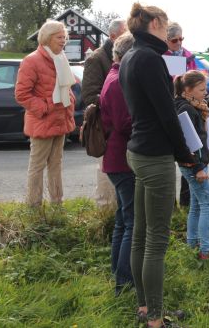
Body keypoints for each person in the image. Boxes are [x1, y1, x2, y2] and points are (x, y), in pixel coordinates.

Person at [119, 3, 204, 328]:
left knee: (140, 235)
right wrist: (185, 152)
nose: (168, 29)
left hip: (138, 151)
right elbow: (167, 113)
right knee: (156, 239)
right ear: (154, 23)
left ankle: (144, 308)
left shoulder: (130, 55)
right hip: (154, 156)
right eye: (164, 23)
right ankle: (155, 319)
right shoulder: (150, 59)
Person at [15, 20, 76, 207]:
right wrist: (46, 107)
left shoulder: (61, 58)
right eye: (59, 37)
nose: (63, 41)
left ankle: (57, 204)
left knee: (56, 165)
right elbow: (21, 94)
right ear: (48, 38)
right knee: (37, 166)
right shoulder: (31, 60)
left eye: (64, 37)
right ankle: (34, 206)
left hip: (60, 120)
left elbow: (67, 87)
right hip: (43, 121)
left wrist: (69, 103)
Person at [99, 32, 136, 296]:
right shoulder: (118, 82)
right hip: (122, 160)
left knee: (123, 221)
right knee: (132, 222)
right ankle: (124, 282)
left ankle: (119, 275)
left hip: (116, 160)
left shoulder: (114, 77)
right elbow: (125, 124)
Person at [164, 21, 209, 208]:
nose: (178, 43)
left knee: (192, 154)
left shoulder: (188, 55)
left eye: (181, 39)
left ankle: (186, 202)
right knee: (176, 159)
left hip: (191, 104)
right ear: (166, 40)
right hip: (175, 107)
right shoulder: (161, 56)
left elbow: (197, 76)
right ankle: (172, 205)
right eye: (174, 40)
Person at [82, 17, 128, 208]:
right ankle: (105, 212)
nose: (128, 37)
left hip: (120, 123)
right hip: (105, 126)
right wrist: (112, 105)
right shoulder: (96, 58)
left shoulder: (125, 56)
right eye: (124, 34)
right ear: (112, 36)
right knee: (105, 174)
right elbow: (89, 95)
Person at [174, 71, 209, 260]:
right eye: (201, 89)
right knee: (207, 205)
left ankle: (192, 244)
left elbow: (197, 137)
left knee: (196, 206)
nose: (205, 92)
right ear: (188, 90)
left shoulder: (189, 106)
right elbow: (189, 142)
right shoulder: (187, 110)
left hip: (191, 163)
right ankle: (205, 251)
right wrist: (198, 167)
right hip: (194, 164)